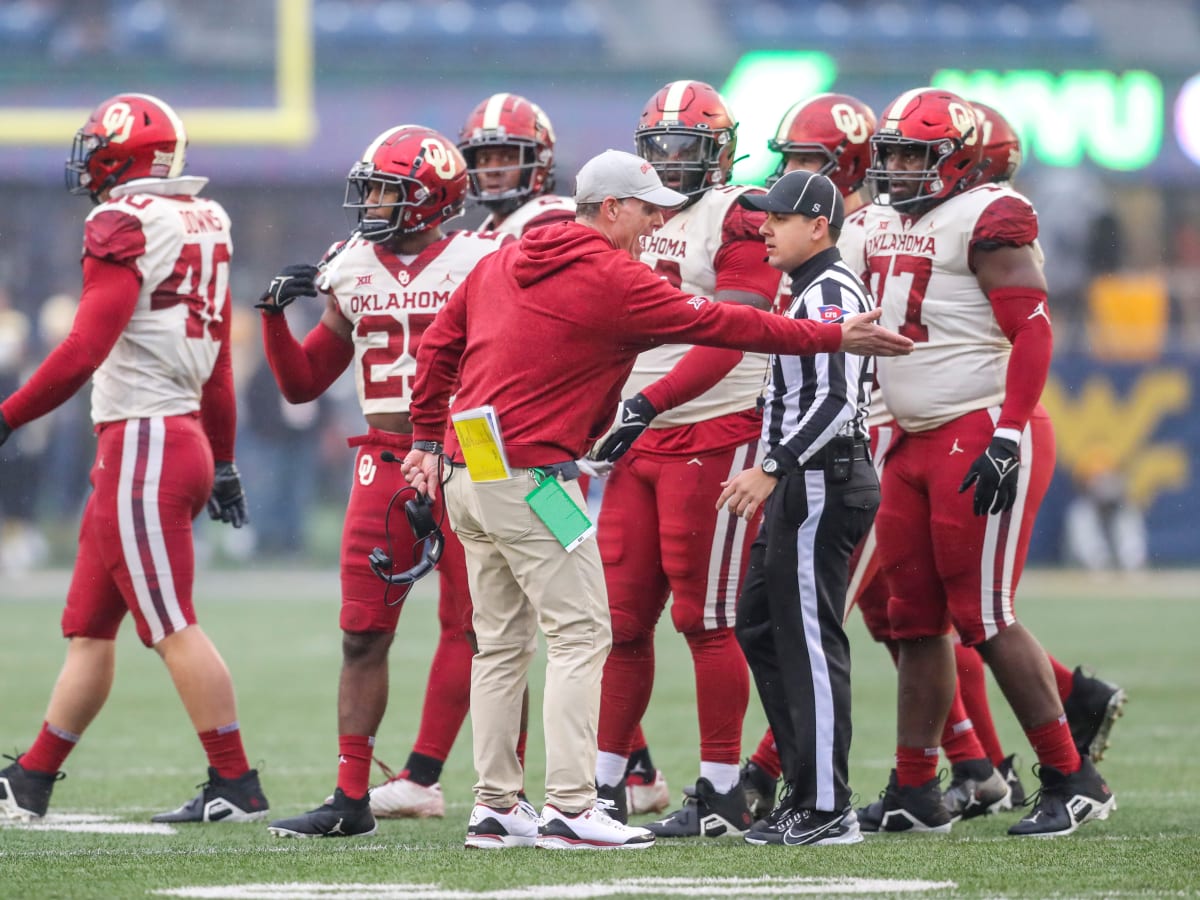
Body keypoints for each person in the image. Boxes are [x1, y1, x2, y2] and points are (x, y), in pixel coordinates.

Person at [401, 148, 914, 851]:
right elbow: (725, 326)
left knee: (500, 642)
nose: (656, 223)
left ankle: (496, 806)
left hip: (470, 467)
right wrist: (829, 334)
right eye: (646, 210)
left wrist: (427, 440)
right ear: (611, 209)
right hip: (533, 476)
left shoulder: (500, 258)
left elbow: (438, 349)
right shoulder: (612, 275)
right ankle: (573, 806)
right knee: (584, 635)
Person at [0, 93, 268, 824]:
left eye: (99, 145)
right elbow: (212, 365)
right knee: (90, 627)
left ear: (128, 152)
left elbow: (85, 346)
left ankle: (236, 782)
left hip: (144, 441)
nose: (88, 158)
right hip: (169, 435)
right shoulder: (203, 220)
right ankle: (32, 778)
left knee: (171, 623)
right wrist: (223, 460)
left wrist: (7, 416)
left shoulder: (125, 219)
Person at [857, 86, 1115, 837]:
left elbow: (1032, 333)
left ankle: (1073, 775)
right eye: (893, 154)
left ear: (961, 160)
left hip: (975, 427)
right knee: (913, 622)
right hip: (910, 436)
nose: (900, 169)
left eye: (916, 155)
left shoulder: (991, 215)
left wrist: (1007, 433)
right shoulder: (880, 219)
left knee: (985, 615)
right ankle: (916, 787)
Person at [257, 124, 510, 839]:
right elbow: (304, 382)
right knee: (362, 633)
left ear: (430, 200)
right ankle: (349, 793)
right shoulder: (351, 268)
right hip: (387, 456)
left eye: (385, 190)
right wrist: (276, 318)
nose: (370, 203)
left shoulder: (482, 260)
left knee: (487, 625)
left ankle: (496, 791)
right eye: (368, 188)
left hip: (473, 450)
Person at [587, 80, 786, 839]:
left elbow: (737, 325)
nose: (670, 161)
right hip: (638, 437)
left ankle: (723, 790)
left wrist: (649, 400)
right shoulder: (629, 211)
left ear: (722, 153)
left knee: (705, 618)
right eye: (660, 146)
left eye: (687, 147)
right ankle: (607, 786)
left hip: (712, 427)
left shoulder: (737, 212)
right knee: (621, 620)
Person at [369, 94, 575, 821]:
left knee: (524, 614)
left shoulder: (543, 227)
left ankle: (552, 788)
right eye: (481, 157)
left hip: (520, 442)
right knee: (531, 611)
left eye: (503, 156)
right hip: (493, 442)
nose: (492, 170)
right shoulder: (487, 238)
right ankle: (606, 772)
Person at [714, 169, 876, 847]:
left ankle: (828, 806)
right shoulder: (805, 289)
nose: (763, 228)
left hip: (819, 480)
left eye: (777, 219)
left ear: (818, 227)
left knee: (810, 642)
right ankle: (806, 788)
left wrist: (771, 467)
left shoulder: (831, 291)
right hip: (802, 481)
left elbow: (836, 402)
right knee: (758, 624)